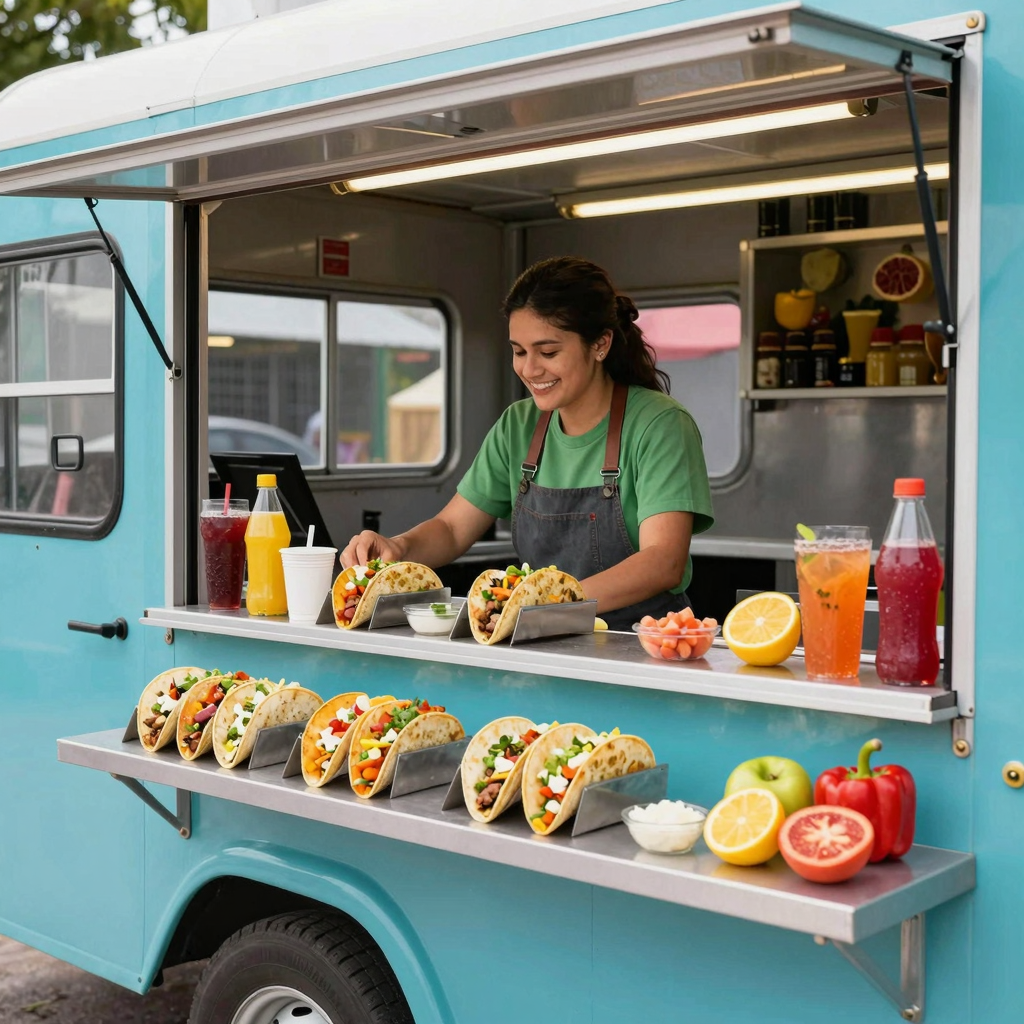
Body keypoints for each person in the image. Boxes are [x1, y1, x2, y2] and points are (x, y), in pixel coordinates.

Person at [341, 256, 714, 629]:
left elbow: (663, 560)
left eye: (548, 352)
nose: (530, 369)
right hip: (540, 637)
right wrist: (398, 548)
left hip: (640, 642)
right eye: (519, 351)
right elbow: (453, 529)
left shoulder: (660, 425)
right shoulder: (517, 425)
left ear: (600, 344)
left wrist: (548, 606)